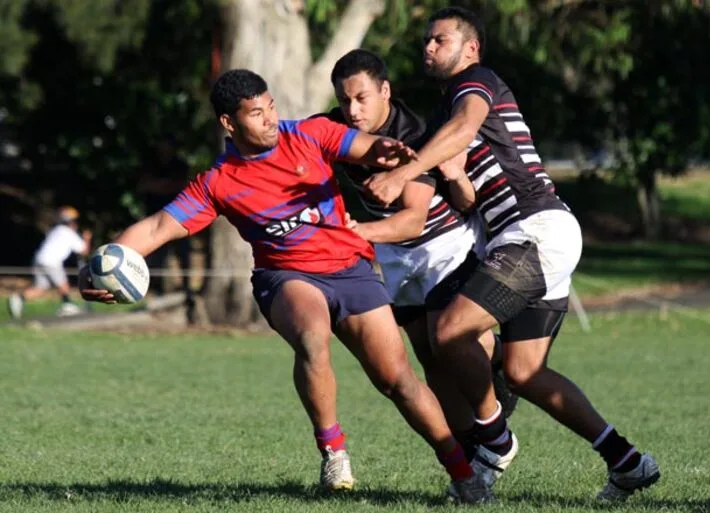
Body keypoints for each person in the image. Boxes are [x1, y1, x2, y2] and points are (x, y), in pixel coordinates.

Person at [79, 69, 493, 503]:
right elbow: (159, 226)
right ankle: (334, 452)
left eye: (271, 106)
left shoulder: (311, 134)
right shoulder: (217, 182)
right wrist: (103, 264)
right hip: (287, 276)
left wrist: (384, 151)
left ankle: (464, 474)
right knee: (313, 338)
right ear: (229, 123)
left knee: (399, 381)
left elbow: (363, 146)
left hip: (351, 269)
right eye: (257, 114)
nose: (270, 119)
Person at [364, 6, 660, 501]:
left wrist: (399, 174)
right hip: (517, 238)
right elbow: (465, 199)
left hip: (535, 230)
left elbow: (465, 127)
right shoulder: (444, 113)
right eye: (426, 42)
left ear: (471, 48)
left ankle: (495, 439)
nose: (428, 48)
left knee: (452, 331)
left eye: (439, 40)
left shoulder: (475, 83)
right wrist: (453, 176)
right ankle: (627, 461)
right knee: (524, 372)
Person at [321, 49, 518, 462]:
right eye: (344, 100)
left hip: (443, 246)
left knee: (445, 340)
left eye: (362, 98)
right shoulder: (336, 129)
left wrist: (351, 233)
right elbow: (295, 139)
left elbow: (412, 221)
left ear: (385, 91)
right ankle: (471, 451)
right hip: (395, 255)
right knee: (429, 358)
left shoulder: (413, 134)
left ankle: (499, 369)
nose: (352, 110)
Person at [8, 206, 92, 319]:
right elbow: (84, 251)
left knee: (41, 287)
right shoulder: (68, 233)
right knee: (63, 283)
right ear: (72, 222)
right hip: (51, 261)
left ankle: (18, 298)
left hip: (39, 259)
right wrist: (87, 238)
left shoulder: (56, 230)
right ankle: (68, 305)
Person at [137, 136, 192, 297]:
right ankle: (156, 288)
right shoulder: (149, 165)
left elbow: (182, 186)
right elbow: (144, 185)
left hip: (179, 218)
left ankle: (187, 288)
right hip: (155, 217)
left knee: (183, 254)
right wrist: (165, 186)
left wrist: (158, 186)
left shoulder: (180, 165)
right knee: (157, 255)